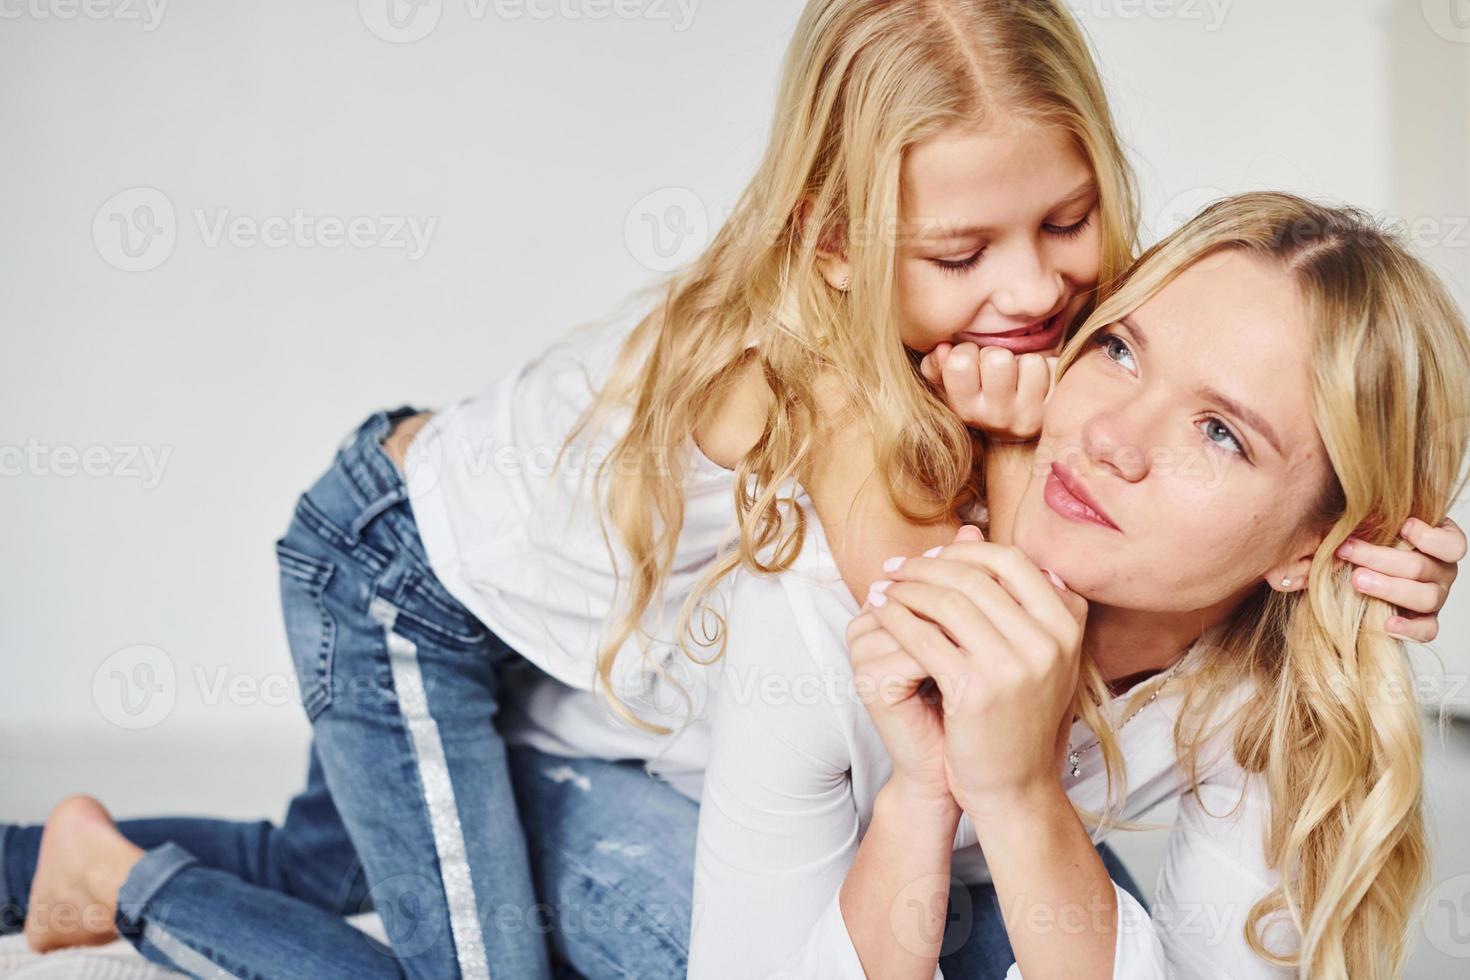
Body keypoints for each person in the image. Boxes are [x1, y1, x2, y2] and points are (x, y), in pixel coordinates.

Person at [689, 192, 1470, 979]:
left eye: (1220, 433)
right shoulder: (824, 586)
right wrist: (932, 793)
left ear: (1313, 548)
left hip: (961, 859)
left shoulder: (1271, 689)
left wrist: (1020, 797)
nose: (1109, 436)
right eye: (1122, 352)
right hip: (644, 786)